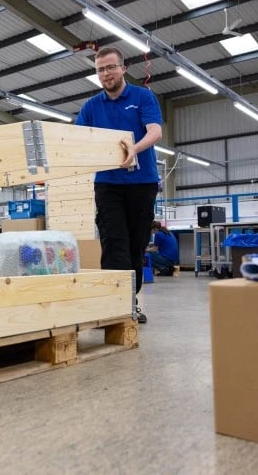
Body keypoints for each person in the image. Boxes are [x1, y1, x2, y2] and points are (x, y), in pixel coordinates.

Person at [75, 47, 163, 323]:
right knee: (114, 243)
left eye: (110, 67)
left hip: (142, 183)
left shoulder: (142, 96)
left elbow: (156, 132)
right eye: (100, 69)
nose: (105, 74)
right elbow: (79, 137)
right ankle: (115, 305)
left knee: (137, 245)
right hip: (108, 184)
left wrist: (134, 149)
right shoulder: (91, 106)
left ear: (123, 68)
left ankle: (130, 302)